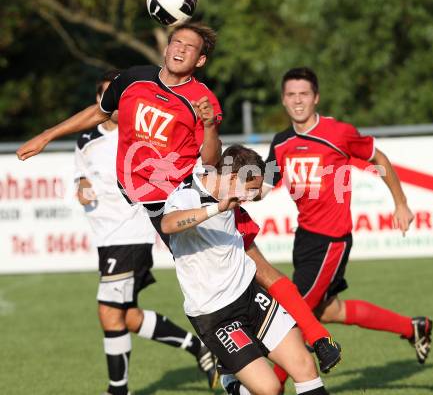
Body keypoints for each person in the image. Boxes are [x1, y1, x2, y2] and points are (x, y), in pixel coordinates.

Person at [16, 23, 340, 373]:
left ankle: (316, 338)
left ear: (200, 60)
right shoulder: (133, 79)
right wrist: (47, 135)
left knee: (255, 267)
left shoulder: (203, 98)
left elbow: (211, 159)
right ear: (168, 46)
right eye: (176, 41)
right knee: (218, 283)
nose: (180, 48)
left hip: (193, 194)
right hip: (157, 207)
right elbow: (100, 111)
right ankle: (242, 363)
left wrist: (210, 126)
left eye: (190, 46)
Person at [263, 67, 433, 387]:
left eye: (303, 94)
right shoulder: (281, 142)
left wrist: (400, 203)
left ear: (316, 98)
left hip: (331, 241)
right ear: (283, 101)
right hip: (304, 238)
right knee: (328, 312)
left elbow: (378, 157)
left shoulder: (338, 132)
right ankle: (413, 327)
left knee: (294, 315)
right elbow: (263, 186)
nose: (297, 100)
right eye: (291, 95)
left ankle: (270, 386)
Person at [74, 70, 216, 395]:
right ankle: (199, 349)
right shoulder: (86, 140)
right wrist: (81, 185)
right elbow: (80, 175)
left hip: (131, 234)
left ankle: (117, 390)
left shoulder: (138, 134)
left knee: (109, 314)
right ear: (99, 100)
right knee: (129, 317)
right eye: (104, 95)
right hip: (106, 238)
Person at [161, 145, 331, 395]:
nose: (251, 198)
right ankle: (234, 385)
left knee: (304, 365)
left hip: (250, 295)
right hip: (216, 314)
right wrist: (216, 208)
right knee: (270, 389)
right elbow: (167, 224)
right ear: (232, 178)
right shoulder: (187, 195)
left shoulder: (228, 184)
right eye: (250, 190)